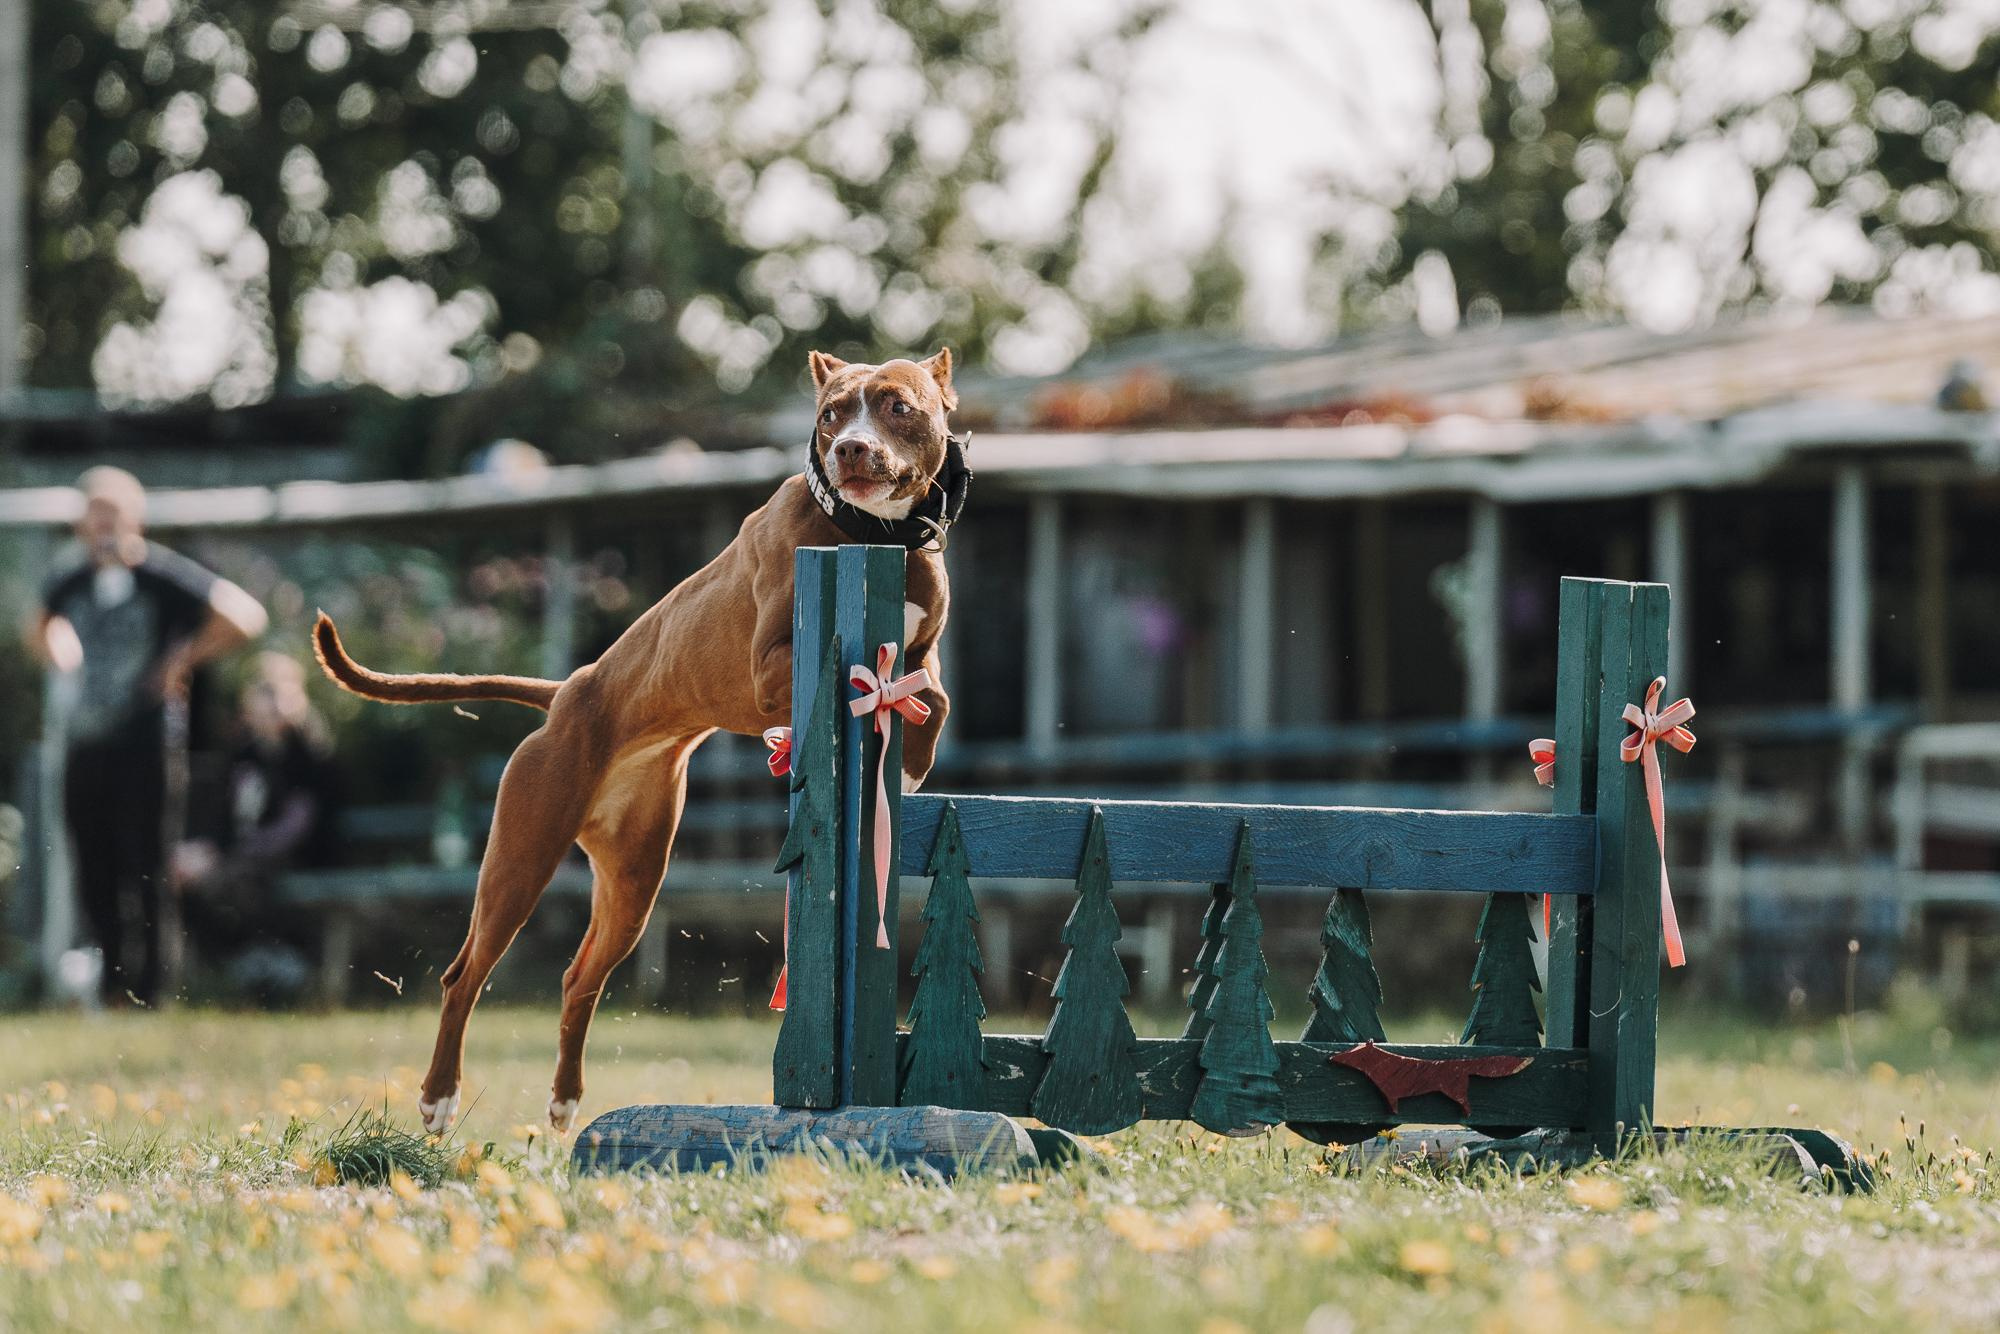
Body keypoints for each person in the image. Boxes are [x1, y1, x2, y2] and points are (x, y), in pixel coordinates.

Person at [28, 466, 268, 1006]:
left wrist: (181, 660)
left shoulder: (163, 575)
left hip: (148, 747)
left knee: (146, 866)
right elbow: (37, 626)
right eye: (93, 516)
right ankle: (112, 988)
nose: (102, 527)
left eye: (112, 515)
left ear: (134, 519)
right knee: (94, 868)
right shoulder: (70, 579)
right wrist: (62, 655)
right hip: (85, 745)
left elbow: (245, 616)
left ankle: (153, 992)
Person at [173, 653, 343, 1003]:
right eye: (263, 692)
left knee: (227, 881)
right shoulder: (242, 754)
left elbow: (295, 830)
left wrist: (225, 855)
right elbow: (224, 817)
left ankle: (257, 963)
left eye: (277, 693)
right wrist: (207, 849)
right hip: (247, 857)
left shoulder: (309, 754)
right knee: (179, 876)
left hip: (299, 857)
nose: (272, 704)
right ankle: (210, 973)